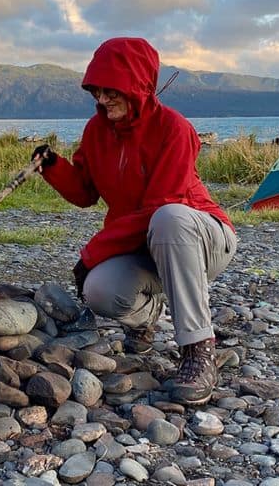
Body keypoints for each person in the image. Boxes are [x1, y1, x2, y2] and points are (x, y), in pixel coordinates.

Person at [31, 37, 237, 406]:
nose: (102, 99)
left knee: (169, 218)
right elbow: (84, 193)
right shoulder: (96, 131)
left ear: (139, 86)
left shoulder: (175, 129)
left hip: (201, 238)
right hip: (144, 246)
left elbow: (160, 208)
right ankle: (147, 316)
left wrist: (94, 251)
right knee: (98, 290)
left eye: (112, 90)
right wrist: (53, 166)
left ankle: (198, 349)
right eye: (96, 90)